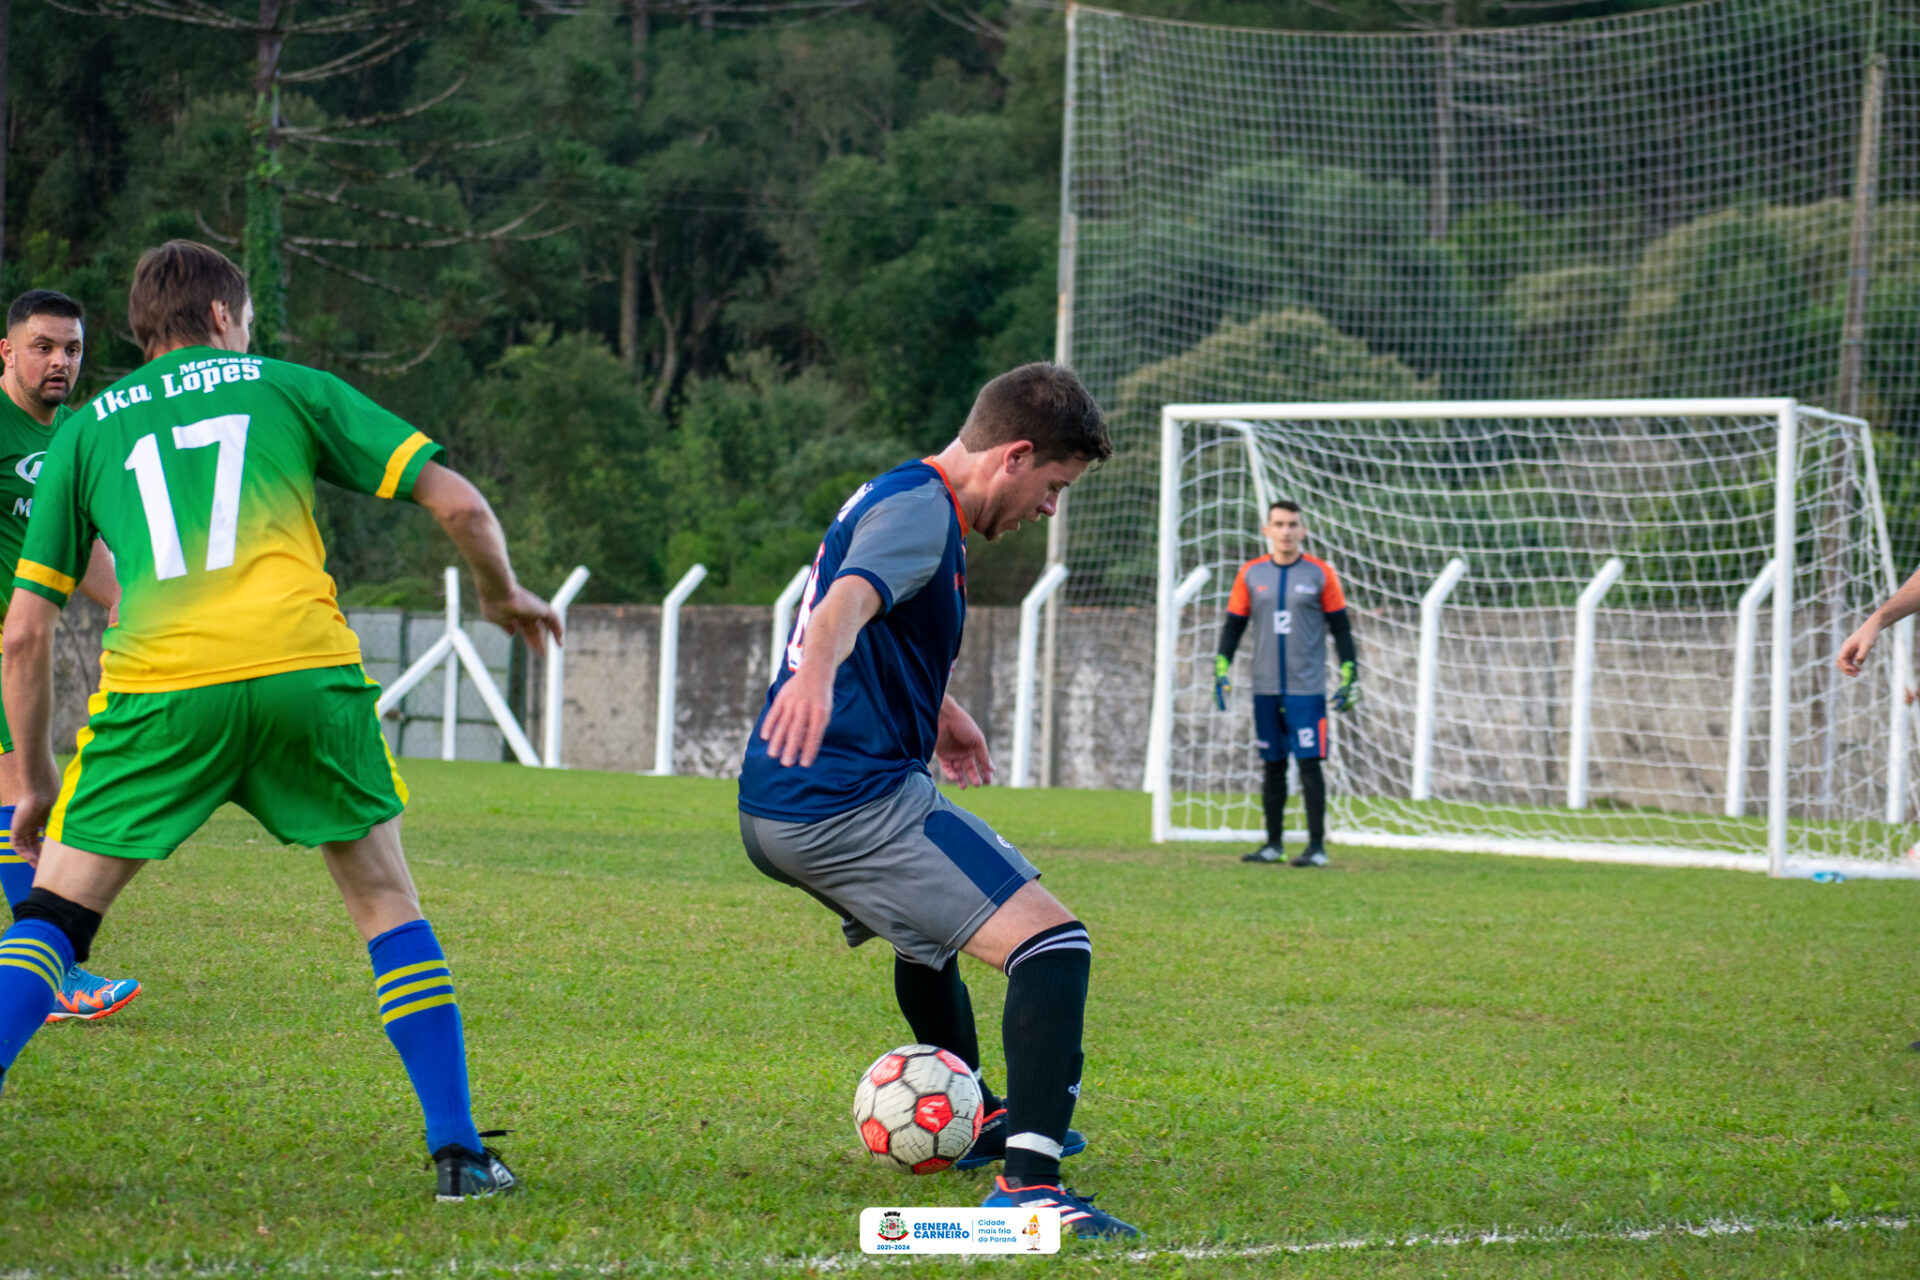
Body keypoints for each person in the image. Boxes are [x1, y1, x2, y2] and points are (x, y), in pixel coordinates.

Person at [0, 241, 560, 1201]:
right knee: (386, 904)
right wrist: (503, 594)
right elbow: (460, 504)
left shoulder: (85, 430)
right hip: (306, 671)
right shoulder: (287, 386)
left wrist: (40, 784)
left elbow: (23, 635)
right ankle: (460, 1154)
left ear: (140, 331)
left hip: (163, 687)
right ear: (223, 318)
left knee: (53, 915)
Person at [737, 363, 1136, 1239]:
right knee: (1054, 946)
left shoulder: (904, 491)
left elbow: (873, 612)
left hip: (794, 798)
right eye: (1054, 487)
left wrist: (943, 713)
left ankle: (976, 1118)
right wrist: (812, 673)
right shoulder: (925, 514)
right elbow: (846, 603)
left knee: (930, 942)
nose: (1048, 509)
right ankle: (1029, 1188)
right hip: (846, 797)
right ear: (1016, 455)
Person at [0, 289, 142, 1021]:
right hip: (8, 641)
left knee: (15, 799)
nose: (60, 361)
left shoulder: (72, 438)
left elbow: (74, 540)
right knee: (18, 796)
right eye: (44, 346)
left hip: (16, 646)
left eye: (74, 349)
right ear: (8, 351)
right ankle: (49, 978)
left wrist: (122, 595)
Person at [1213, 500, 1358, 867]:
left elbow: (1340, 627)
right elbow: (1234, 625)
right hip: (1265, 686)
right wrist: (1221, 666)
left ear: (1302, 530)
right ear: (1267, 530)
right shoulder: (1250, 574)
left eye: (1293, 524)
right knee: (1272, 764)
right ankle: (1273, 844)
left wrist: (1349, 672)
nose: (1286, 531)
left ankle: (1316, 847)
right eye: (1279, 524)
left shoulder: (1320, 574)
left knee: (1310, 765)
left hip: (1306, 689)